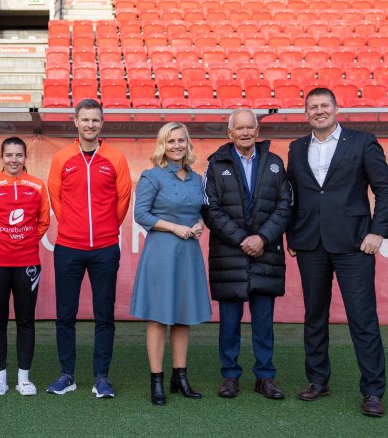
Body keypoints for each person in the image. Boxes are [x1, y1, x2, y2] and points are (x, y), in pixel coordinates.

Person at [287, 87, 388, 418]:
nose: (318, 111)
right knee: (314, 317)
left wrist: (378, 232)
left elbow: (385, 189)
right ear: (306, 113)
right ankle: (318, 381)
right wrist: (291, 234)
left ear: (336, 109)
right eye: (312, 107)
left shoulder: (363, 142)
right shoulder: (296, 147)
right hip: (309, 244)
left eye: (324, 106)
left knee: (362, 319)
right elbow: (293, 195)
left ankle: (373, 391)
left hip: (354, 243)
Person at [202, 110, 292, 401]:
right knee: (229, 322)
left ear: (257, 130)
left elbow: (285, 205)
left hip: (265, 255)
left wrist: (262, 238)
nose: (244, 132)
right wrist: (243, 239)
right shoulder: (215, 166)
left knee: (263, 322)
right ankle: (230, 375)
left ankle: (265, 377)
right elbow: (210, 210)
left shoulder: (276, 164)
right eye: (238, 128)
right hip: (229, 257)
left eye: (249, 127)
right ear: (229, 133)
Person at [46, 98, 132, 399]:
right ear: (75, 121)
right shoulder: (62, 159)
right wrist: (72, 225)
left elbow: (123, 200)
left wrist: (107, 228)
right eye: (85, 120)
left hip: (105, 249)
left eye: (95, 120)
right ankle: (67, 375)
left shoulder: (116, 158)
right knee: (65, 314)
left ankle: (101, 378)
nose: (90, 125)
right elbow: (55, 199)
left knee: (104, 316)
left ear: (102, 122)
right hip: (68, 247)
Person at [130, 122, 211, 406]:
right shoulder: (151, 176)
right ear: (162, 145)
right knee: (158, 318)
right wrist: (174, 228)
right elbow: (142, 214)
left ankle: (180, 376)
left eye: (181, 140)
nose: (176, 145)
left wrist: (200, 223)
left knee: (182, 315)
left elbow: (200, 212)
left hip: (188, 253)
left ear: (188, 144)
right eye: (171, 140)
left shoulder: (196, 178)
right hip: (162, 252)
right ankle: (157, 380)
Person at [0, 137, 50, 396]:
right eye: (9, 155)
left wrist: (23, 241)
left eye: (19, 155)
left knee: (25, 321)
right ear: (2, 157)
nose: (14, 160)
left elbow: (43, 222)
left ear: (25, 157)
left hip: (27, 263)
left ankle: (24, 379)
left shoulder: (38, 186)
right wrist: (0, 241)